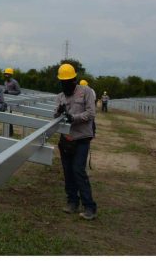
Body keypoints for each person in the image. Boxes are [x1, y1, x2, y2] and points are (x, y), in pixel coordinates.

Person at [54, 63, 97, 220]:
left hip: (81, 138)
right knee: (68, 172)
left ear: (74, 80)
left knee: (78, 170)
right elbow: (55, 117)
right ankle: (72, 201)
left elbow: (91, 113)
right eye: (63, 83)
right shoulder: (60, 96)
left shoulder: (86, 92)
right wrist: (58, 113)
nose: (65, 85)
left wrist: (74, 118)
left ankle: (89, 206)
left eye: (68, 82)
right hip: (65, 139)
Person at [3, 68, 21, 136]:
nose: (6, 75)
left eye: (7, 74)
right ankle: (8, 132)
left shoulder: (14, 82)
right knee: (6, 116)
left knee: (9, 116)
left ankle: (10, 133)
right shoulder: (5, 82)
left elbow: (18, 91)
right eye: (5, 74)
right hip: (6, 101)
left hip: (11, 102)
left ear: (10, 75)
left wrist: (9, 92)